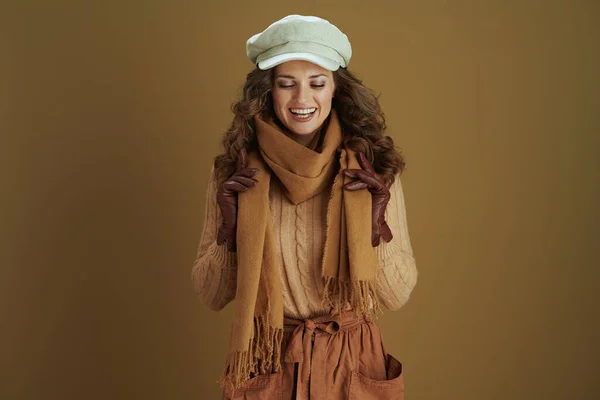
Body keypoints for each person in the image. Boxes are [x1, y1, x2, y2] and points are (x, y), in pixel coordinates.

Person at [191, 14, 418, 399]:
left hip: (353, 363)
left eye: (316, 83)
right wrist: (228, 231)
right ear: (267, 92)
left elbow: (395, 296)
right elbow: (211, 296)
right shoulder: (236, 174)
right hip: (270, 359)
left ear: (336, 91)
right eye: (286, 84)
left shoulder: (370, 171)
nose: (302, 99)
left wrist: (376, 227)